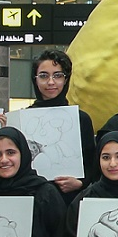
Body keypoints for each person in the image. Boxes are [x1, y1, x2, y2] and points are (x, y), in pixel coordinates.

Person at [17, 49, 97, 199]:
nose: (51, 82)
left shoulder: (81, 119)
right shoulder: (23, 118)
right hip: (32, 198)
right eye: (44, 76)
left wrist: (81, 183)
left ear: (66, 80)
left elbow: (92, 163)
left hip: (69, 200)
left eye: (57, 75)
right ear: (35, 79)